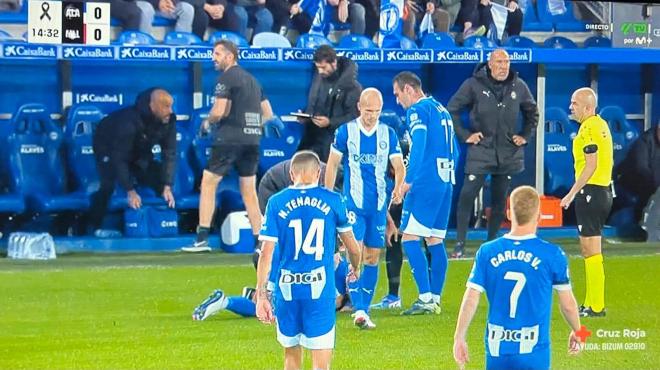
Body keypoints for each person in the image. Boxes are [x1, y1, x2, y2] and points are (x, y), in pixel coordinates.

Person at [453, 186, 583, 369]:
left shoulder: (487, 252)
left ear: (508, 214)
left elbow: (471, 298)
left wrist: (459, 337)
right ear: (538, 216)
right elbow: (568, 305)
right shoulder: (552, 254)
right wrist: (579, 331)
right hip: (533, 349)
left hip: (497, 347)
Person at [255, 150, 362, 370]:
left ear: (292, 175)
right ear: (319, 173)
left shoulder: (275, 202)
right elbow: (352, 246)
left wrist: (261, 294)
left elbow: (266, 253)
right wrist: (355, 266)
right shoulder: (333, 200)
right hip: (320, 290)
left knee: (291, 356)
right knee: (321, 363)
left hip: (286, 290)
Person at [182, 40, 273, 253]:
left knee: (208, 183)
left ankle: (202, 239)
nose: (213, 58)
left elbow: (219, 111)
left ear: (230, 56)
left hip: (228, 139)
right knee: (249, 191)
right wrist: (250, 126)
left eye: (217, 54)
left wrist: (207, 122)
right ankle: (260, 242)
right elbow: (268, 114)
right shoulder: (253, 80)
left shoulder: (226, 77)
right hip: (252, 140)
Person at [325, 88, 405, 329]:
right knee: (354, 255)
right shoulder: (345, 132)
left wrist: (399, 187)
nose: (373, 116)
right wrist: (329, 198)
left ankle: (363, 310)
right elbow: (331, 165)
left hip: (379, 207)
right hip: (353, 206)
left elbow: (399, 166)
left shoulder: (388, 134)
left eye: (377, 111)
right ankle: (358, 307)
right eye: (369, 111)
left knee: (372, 257)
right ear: (360, 107)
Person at [448, 48, 538, 258]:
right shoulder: (473, 84)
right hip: (481, 150)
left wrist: (524, 135)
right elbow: (452, 109)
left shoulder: (519, 85)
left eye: (506, 62)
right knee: (466, 196)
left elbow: (532, 112)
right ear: (489, 64)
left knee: (499, 200)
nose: (503, 66)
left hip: (507, 153)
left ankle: (492, 244)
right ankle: (460, 243)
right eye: (498, 62)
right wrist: (465, 134)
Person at [392, 71, 458, 315]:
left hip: (426, 182)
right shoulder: (442, 110)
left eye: (398, 94)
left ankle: (426, 298)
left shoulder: (418, 110)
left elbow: (418, 144)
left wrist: (408, 181)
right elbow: (456, 150)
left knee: (409, 237)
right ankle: (435, 298)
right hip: (445, 180)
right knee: (434, 239)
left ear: (409, 89)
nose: (398, 101)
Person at [88, 88, 177, 236]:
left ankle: (162, 227)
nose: (170, 111)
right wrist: (130, 191)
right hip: (107, 146)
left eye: (171, 105)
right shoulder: (128, 122)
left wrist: (167, 185)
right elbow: (119, 158)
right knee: (107, 184)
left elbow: (170, 153)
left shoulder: (168, 120)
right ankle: (91, 227)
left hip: (139, 147)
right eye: (165, 106)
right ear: (152, 106)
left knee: (158, 179)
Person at [559, 87, 613, 318]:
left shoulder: (589, 127)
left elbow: (591, 165)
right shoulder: (601, 124)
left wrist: (571, 193)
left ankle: (597, 305)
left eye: (575, 103)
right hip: (602, 191)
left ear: (588, 107)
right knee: (589, 248)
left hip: (591, 192)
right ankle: (592, 303)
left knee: (591, 249)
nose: (571, 107)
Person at [192, 251, 353, 320]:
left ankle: (240, 298)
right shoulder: (343, 273)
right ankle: (227, 301)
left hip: (279, 256)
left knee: (271, 307)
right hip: (295, 271)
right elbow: (332, 301)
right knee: (273, 311)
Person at [297, 45, 362, 162]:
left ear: (334, 63)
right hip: (313, 140)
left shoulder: (352, 87)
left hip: (336, 143)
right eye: (318, 68)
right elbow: (316, 104)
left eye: (323, 67)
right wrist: (305, 115)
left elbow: (355, 117)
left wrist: (330, 122)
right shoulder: (318, 79)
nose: (320, 71)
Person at [615, 125, 660, 223]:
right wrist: (657, 187)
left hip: (653, 186)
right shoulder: (644, 141)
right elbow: (641, 169)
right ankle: (643, 225)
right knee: (649, 192)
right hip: (632, 185)